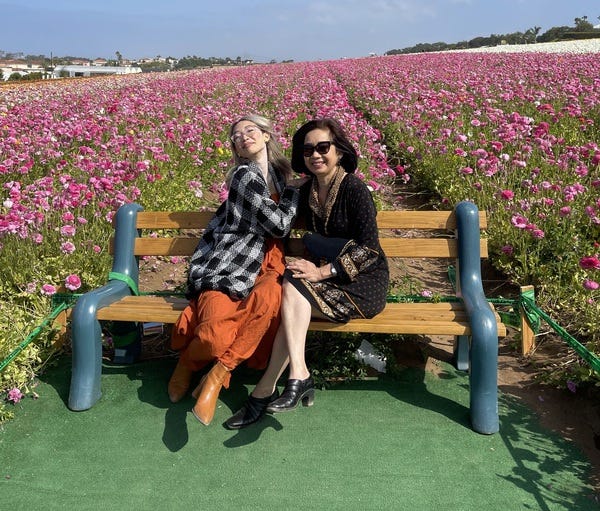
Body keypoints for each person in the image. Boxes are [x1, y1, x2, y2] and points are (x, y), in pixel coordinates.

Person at [225, 118, 390, 429]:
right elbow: (274, 218)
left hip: (363, 282)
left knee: (293, 294)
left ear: (339, 152)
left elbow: (369, 250)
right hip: (321, 279)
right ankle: (294, 377)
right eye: (308, 150)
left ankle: (270, 389)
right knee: (293, 289)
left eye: (323, 148)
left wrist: (323, 271)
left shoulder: (355, 190)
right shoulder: (306, 190)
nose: (316, 155)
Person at [168, 114, 306, 426]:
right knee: (214, 337)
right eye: (236, 136)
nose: (243, 137)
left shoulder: (282, 176)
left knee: (270, 299)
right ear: (236, 149)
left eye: (250, 130)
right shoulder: (243, 175)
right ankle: (189, 362)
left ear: (267, 135)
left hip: (270, 264)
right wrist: (295, 192)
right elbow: (281, 224)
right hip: (232, 266)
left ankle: (218, 375)